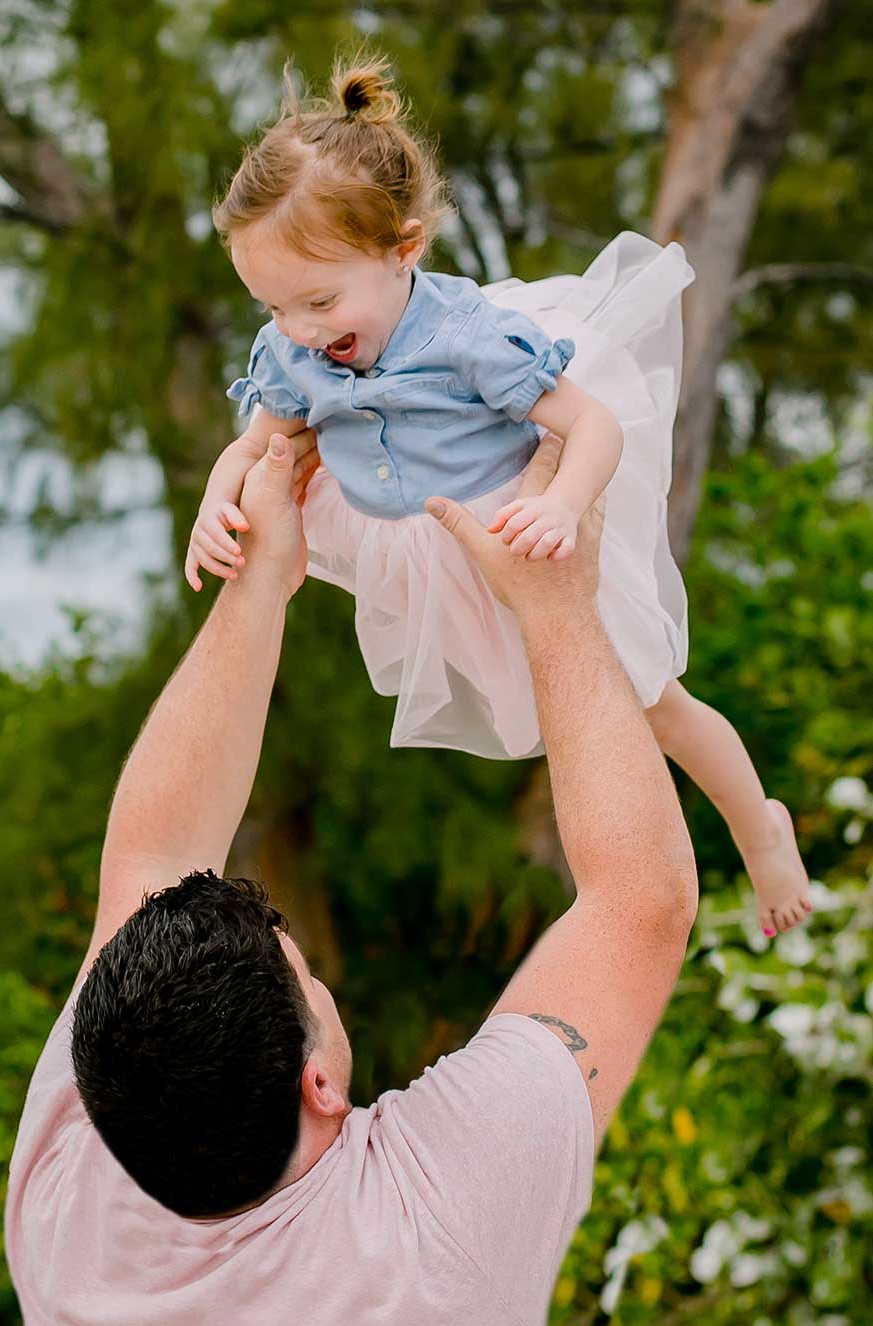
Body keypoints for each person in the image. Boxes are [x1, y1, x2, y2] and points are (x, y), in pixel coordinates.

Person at [6, 428, 698, 1326]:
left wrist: (260, 580)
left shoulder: (71, 1201)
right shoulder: (432, 1225)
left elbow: (153, 854)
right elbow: (640, 903)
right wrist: (558, 607)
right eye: (306, 977)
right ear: (319, 1081)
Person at [188, 51, 811, 938]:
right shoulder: (295, 345)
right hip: (429, 549)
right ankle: (611, 887)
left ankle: (762, 828)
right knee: (569, 730)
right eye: (274, 307)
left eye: (319, 300)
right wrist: (221, 500)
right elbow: (254, 444)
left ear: (403, 249)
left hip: (523, 530)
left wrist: (560, 509)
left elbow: (596, 426)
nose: (298, 330)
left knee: (650, 699)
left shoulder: (466, 340)